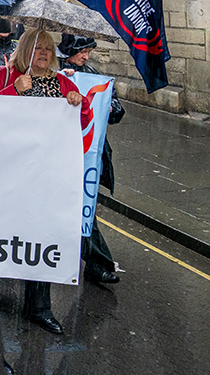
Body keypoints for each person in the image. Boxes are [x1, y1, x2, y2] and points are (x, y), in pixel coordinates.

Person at [0, 28, 87, 335]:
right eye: (38, 48)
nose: (44, 54)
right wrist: (14, 89)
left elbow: (81, 120)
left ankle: (39, 307)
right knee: (3, 225)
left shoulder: (63, 82)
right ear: (26, 49)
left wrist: (77, 103)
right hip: (8, 167)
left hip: (47, 171)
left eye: (48, 49)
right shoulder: (4, 76)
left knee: (41, 234)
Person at [58, 33, 123, 286]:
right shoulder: (54, 70)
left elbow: (116, 109)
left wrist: (111, 108)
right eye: (81, 51)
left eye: (88, 52)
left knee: (83, 208)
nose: (85, 56)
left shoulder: (92, 73)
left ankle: (98, 264)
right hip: (60, 151)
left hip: (87, 152)